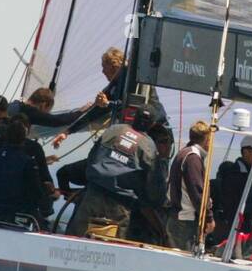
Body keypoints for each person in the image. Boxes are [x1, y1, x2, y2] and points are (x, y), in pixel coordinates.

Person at [67, 105, 161, 238]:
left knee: (76, 240)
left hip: (93, 195)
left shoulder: (113, 130)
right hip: (119, 205)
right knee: (112, 250)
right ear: (152, 124)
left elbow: (92, 156)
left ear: (134, 116)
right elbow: (152, 184)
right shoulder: (148, 146)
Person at [0, 115, 53, 228]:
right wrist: (47, 198)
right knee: (46, 227)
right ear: (24, 138)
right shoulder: (27, 162)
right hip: (20, 213)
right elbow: (36, 193)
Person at [51, 47, 129, 147]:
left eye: (104, 66)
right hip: (121, 130)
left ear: (113, 64)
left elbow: (129, 106)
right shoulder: (112, 87)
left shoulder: (131, 78)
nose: (102, 71)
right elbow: (92, 113)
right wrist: (67, 132)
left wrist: (107, 104)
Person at [167, 121, 213, 251]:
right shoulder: (193, 158)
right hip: (184, 222)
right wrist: (208, 218)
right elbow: (198, 192)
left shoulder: (185, 153)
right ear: (207, 140)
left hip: (177, 219)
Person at [211, 135, 252, 243]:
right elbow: (232, 207)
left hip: (238, 230)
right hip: (232, 232)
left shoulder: (248, 174)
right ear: (246, 152)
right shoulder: (236, 175)